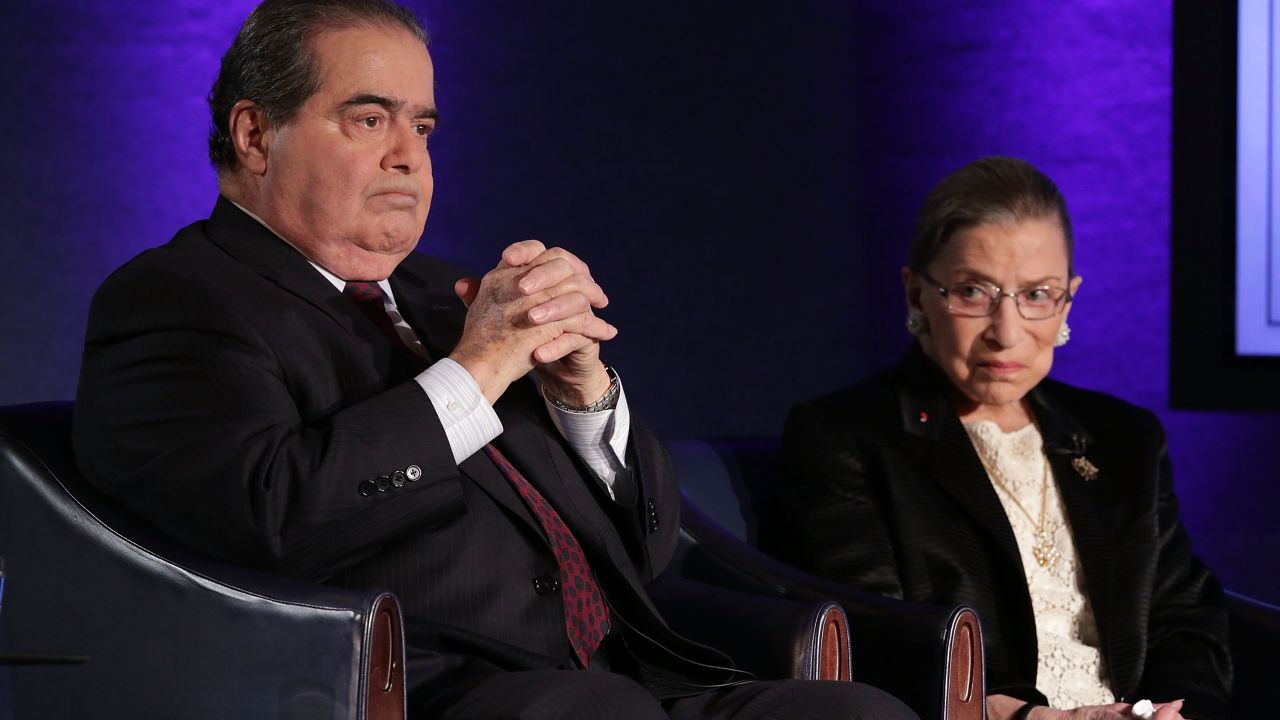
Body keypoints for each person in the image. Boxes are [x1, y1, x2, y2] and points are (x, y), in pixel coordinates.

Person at [72, 1, 915, 718]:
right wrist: (475, 371)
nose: (409, 154)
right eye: (370, 119)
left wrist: (584, 398)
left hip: (620, 674)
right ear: (255, 134)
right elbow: (268, 517)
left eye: (422, 125)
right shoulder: (178, 300)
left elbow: (651, 549)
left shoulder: (449, 296)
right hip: (411, 688)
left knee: (857, 711)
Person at [766, 157, 1230, 720]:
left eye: (1037, 295)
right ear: (916, 297)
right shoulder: (846, 436)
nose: (1006, 333)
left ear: (1068, 301)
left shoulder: (1124, 437)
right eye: (972, 291)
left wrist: (1170, 712)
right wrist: (1022, 717)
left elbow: (1184, 614)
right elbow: (876, 635)